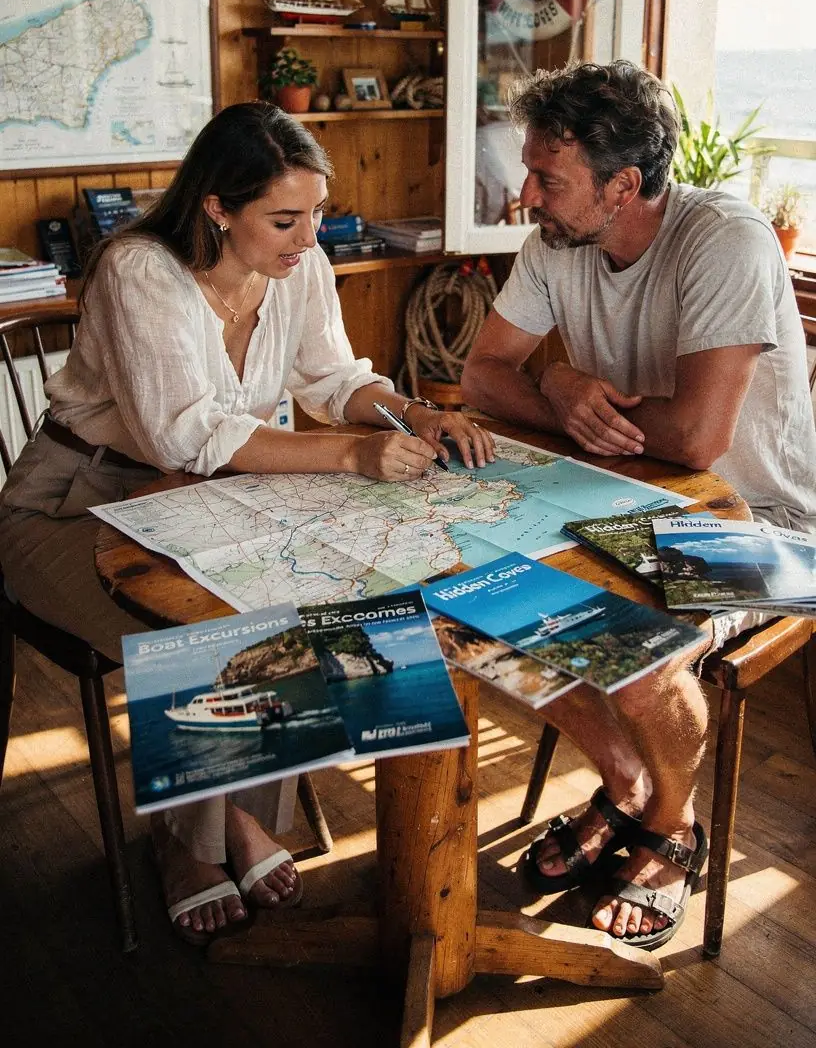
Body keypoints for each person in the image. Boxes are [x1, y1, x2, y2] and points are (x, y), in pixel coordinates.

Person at [0, 102, 494, 946]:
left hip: (203, 495)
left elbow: (333, 377)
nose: (309, 238)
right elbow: (180, 435)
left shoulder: (294, 265)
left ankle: (223, 813)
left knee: (290, 610)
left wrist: (410, 412)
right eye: (284, 218)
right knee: (206, 633)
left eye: (316, 214)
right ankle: (194, 842)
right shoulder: (138, 268)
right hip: (75, 498)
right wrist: (345, 456)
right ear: (217, 209)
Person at [460, 59, 816, 950]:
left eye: (549, 177)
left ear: (624, 185)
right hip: (618, 499)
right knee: (466, 610)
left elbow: (697, 439)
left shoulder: (722, 240)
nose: (526, 194)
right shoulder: (560, 241)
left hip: (760, 521)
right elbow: (479, 376)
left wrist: (560, 391)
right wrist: (562, 384)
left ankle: (672, 824)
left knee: (635, 651)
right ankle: (625, 784)